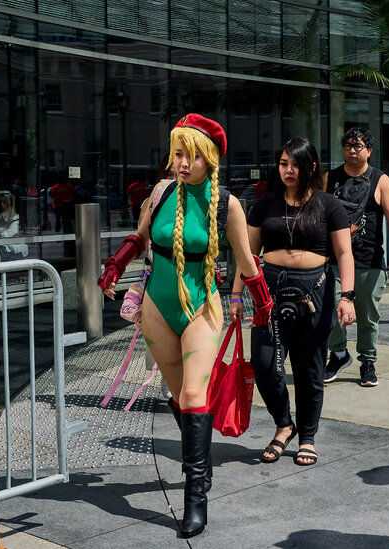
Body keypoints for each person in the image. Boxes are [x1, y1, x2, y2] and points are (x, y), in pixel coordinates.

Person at [98, 114, 273, 538]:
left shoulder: (225, 203)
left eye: (190, 156)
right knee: (179, 397)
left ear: (208, 159)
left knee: (195, 392)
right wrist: (114, 265)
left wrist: (262, 306)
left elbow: (247, 262)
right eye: (177, 153)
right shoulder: (160, 193)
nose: (181, 162)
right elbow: (140, 237)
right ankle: (203, 463)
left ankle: (196, 496)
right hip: (158, 306)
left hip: (202, 307)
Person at [229, 137, 356, 467]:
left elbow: (344, 253)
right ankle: (284, 423)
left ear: (310, 167)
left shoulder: (330, 205)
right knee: (264, 364)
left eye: (294, 164)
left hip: (314, 293)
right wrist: (236, 294)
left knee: (309, 369)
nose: (288, 169)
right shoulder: (265, 203)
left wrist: (348, 297)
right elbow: (248, 254)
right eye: (283, 163)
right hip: (266, 292)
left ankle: (308, 436)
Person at [323, 127, 389, 387]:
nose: (351, 150)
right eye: (348, 145)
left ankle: (367, 363)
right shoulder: (331, 179)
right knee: (332, 311)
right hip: (334, 260)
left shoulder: (380, 180)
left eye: (357, 146)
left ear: (369, 151)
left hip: (369, 261)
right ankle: (337, 355)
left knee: (368, 316)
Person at [0, 191, 28, 260]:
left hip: (13, 248)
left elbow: (10, 233)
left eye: (4, 203)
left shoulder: (15, 216)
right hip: (1, 245)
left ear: (8, 204)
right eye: (0, 202)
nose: (2, 205)